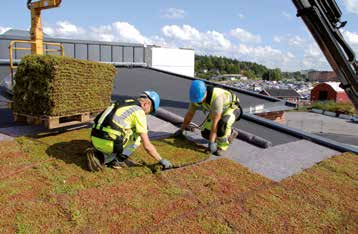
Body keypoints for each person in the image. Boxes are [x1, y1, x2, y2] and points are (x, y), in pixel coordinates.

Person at [87, 91, 173, 171]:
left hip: (94, 137)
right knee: (138, 136)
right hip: (108, 143)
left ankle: (98, 151)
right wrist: (161, 159)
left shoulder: (124, 102)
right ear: (146, 103)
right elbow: (147, 145)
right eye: (150, 111)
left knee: (120, 131)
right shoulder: (139, 112)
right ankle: (113, 160)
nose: (147, 114)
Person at [174, 80, 241, 156]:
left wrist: (211, 143)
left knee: (222, 124)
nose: (199, 103)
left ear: (205, 93)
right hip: (217, 110)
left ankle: (222, 146)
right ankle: (227, 134)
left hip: (231, 108)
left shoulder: (216, 99)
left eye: (200, 100)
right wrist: (181, 129)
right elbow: (189, 115)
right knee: (205, 133)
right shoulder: (195, 98)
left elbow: (216, 122)